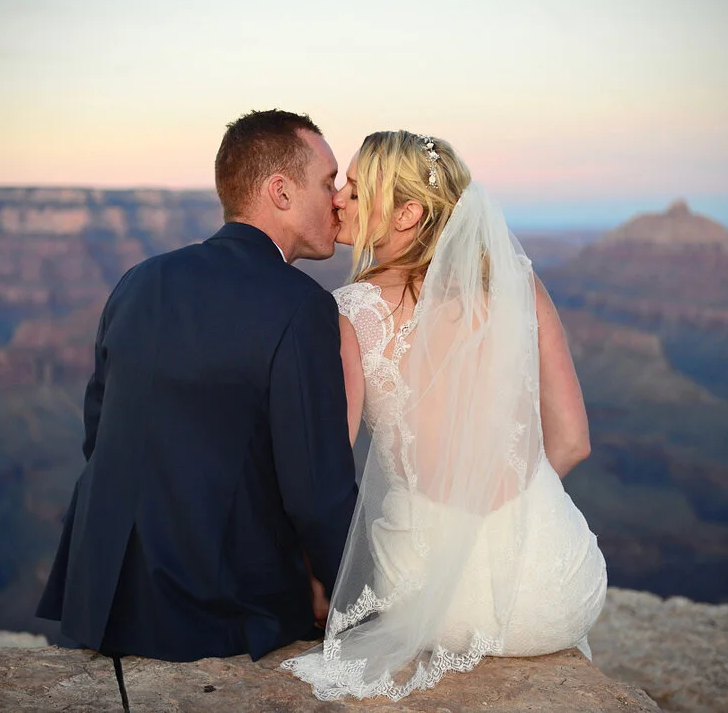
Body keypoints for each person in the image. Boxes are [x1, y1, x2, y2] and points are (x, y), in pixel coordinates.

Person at [282, 131, 607, 700]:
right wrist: (508, 511)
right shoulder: (518, 284)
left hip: (436, 602)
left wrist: (315, 580)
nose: (337, 200)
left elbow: (326, 472)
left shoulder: (350, 312)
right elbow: (574, 441)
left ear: (408, 212)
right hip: (558, 585)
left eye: (356, 192)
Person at [36, 110, 359, 677]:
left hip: (106, 598)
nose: (337, 200)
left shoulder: (139, 281)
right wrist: (355, 604)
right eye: (328, 181)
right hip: (216, 611)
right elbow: (316, 493)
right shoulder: (302, 307)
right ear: (280, 192)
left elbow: (99, 433)